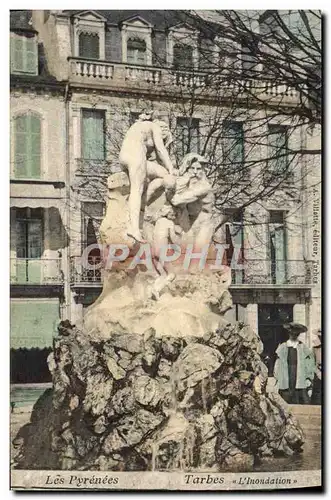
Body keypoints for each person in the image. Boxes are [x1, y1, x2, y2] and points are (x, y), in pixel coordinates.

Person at [119, 113, 176, 243]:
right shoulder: (154, 127)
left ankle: (135, 220)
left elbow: (154, 165)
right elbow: (161, 150)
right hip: (135, 154)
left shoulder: (138, 126)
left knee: (161, 173)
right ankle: (133, 228)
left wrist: (167, 172)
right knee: (136, 191)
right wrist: (171, 168)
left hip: (124, 157)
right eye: (164, 138)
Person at [274, 322, 315, 405]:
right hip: (286, 373)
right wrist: (277, 376)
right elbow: (278, 364)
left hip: (299, 373)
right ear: (289, 333)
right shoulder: (283, 346)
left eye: (296, 334)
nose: (294, 335)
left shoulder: (303, 347)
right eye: (292, 333)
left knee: (301, 398)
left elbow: (309, 363)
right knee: (285, 397)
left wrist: (308, 377)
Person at [311, 328, 322, 405]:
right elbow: (312, 363)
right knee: (317, 398)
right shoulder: (315, 348)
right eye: (320, 336)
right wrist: (318, 372)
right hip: (318, 375)